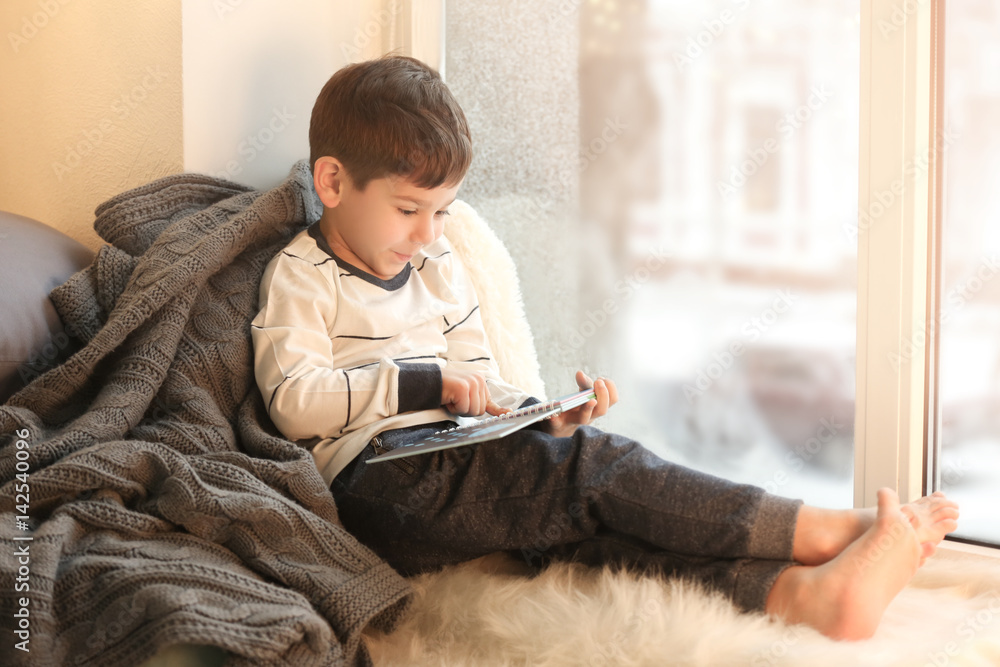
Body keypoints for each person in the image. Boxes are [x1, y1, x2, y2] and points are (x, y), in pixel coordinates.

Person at [250, 55, 960, 641]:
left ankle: (804, 595)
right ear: (334, 182)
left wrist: (539, 416)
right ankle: (817, 527)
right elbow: (292, 402)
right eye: (409, 210)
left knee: (592, 536)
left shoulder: (440, 267)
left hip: (461, 460)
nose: (430, 232)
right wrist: (425, 383)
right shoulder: (302, 278)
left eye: (442, 211)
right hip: (380, 482)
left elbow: (481, 384)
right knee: (596, 473)